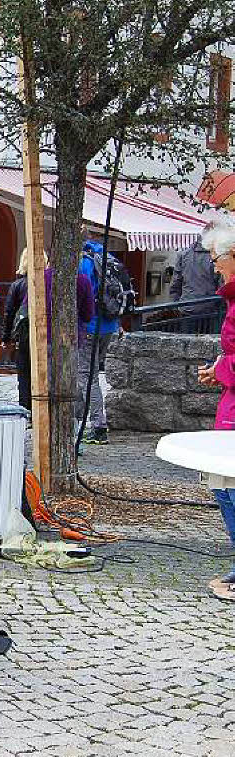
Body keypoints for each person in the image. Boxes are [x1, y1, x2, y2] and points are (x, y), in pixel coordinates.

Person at [2, 249, 94, 412]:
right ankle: (66, 418)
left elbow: (26, 308)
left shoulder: (41, 278)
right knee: (67, 383)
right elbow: (88, 315)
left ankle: (40, 414)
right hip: (71, 339)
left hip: (43, 337)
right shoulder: (83, 280)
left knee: (40, 380)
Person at [196, 219, 235, 594]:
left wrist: (222, 369)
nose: (213, 265)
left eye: (216, 257)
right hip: (231, 406)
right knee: (223, 486)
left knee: (230, 486)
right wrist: (220, 369)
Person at [77, 241, 127, 444]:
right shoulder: (108, 258)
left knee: (88, 377)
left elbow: (83, 297)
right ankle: (82, 419)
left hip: (90, 326)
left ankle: (98, 426)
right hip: (110, 325)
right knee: (91, 374)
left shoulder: (84, 263)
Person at [171, 236, 222, 332]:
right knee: (209, 343)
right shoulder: (216, 256)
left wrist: (177, 305)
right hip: (210, 310)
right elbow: (221, 286)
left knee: (186, 343)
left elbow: (176, 283)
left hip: (187, 308)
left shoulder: (183, 254)